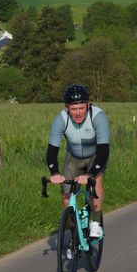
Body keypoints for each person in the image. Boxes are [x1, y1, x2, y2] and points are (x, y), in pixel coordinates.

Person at [46, 84, 110, 238]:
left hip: (95, 156)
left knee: (95, 182)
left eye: (81, 108)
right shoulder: (61, 119)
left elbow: (103, 150)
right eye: (74, 109)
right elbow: (52, 151)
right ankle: (75, 231)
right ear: (67, 108)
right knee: (66, 192)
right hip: (73, 158)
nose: (78, 112)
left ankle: (95, 222)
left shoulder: (98, 116)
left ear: (88, 104)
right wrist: (54, 172)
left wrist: (91, 174)